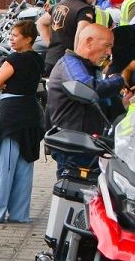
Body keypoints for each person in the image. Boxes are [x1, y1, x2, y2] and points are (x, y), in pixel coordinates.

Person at [0, 20, 44, 224]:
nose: (11, 38)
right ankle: (19, 214)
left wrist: (5, 84)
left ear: (28, 39)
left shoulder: (15, 59)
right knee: (24, 166)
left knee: (4, 167)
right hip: (31, 113)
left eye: (16, 35)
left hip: (11, 116)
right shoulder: (37, 59)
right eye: (11, 34)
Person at [46, 23, 124, 174]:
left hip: (88, 149)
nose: (109, 52)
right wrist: (118, 81)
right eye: (107, 46)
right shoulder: (70, 64)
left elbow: (99, 102)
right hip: (73, 152)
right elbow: (88, 88)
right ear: (88, 41)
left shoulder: (88, 67)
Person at [38, 0, 97, 74]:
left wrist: (50, 44)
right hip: (69, 63)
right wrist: (78, 59)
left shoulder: (59, 4)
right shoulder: (84, 9)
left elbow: (41, 23)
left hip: (52, 58)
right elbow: (81, 33)